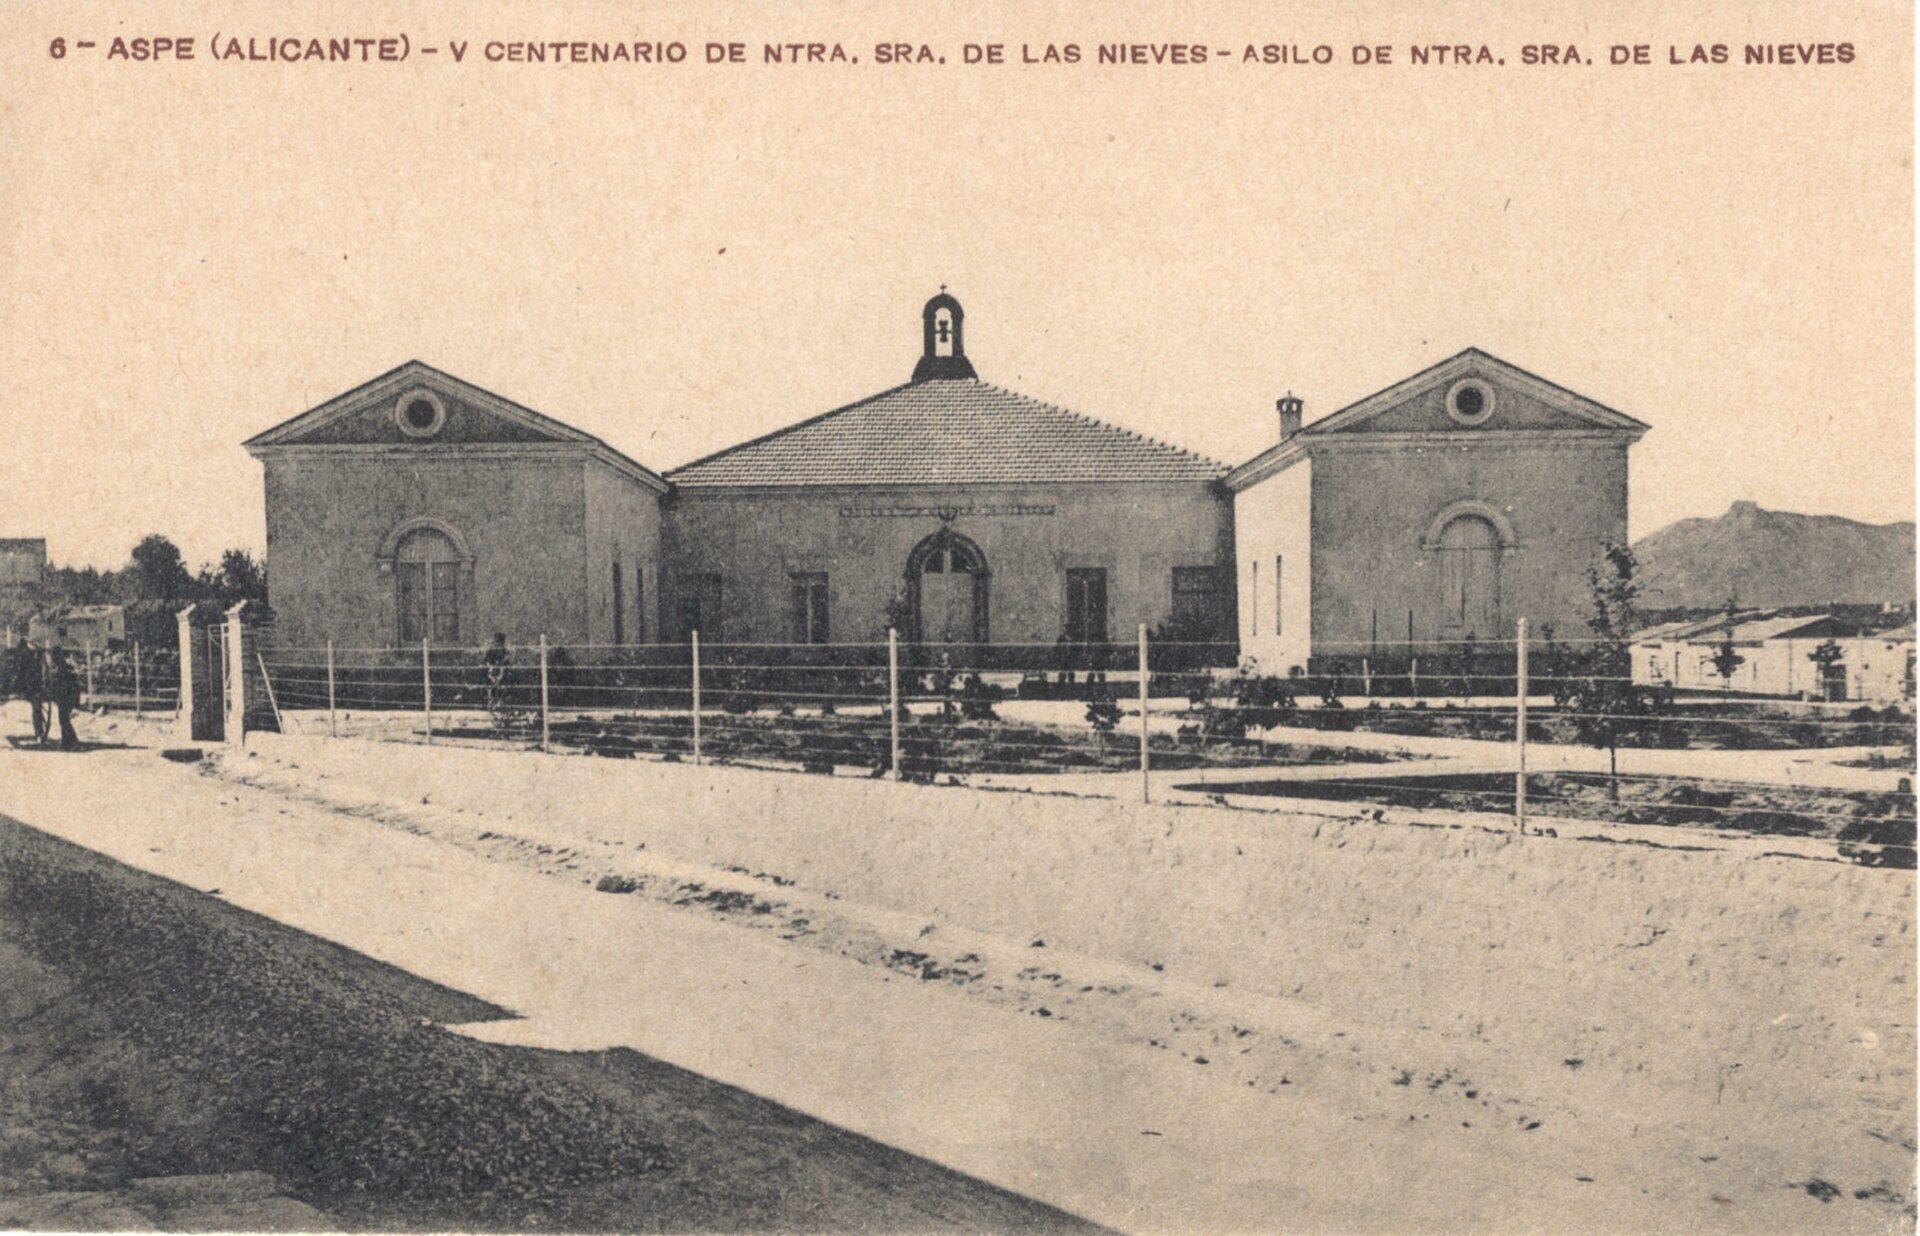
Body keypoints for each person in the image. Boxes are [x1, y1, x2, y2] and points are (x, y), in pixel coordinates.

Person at [45, 648, 80, 750]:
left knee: (64, 720)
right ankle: (67, 741)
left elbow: (63, 685)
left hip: (65, 697)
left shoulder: (62, 669)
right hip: (66, 697)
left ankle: (72, 742)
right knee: (64, 720)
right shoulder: (65, 667)